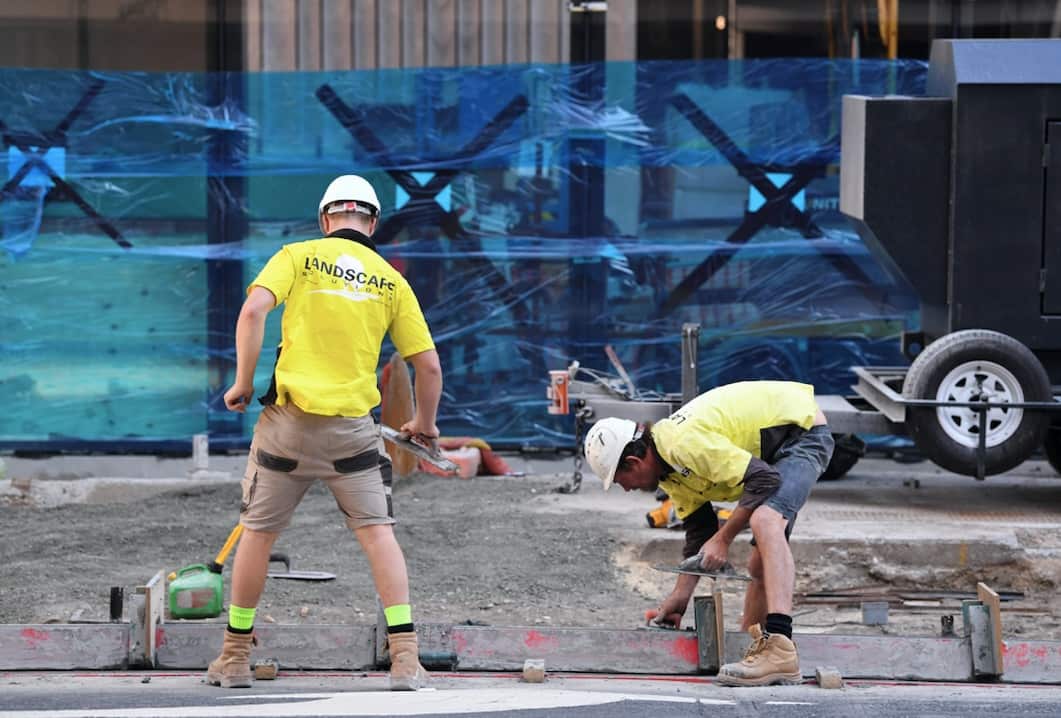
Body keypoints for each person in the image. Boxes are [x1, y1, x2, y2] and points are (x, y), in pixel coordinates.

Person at [206, 175, 443, 691]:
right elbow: (427, 367)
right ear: (373, 224)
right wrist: (423, 425)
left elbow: (252, 311)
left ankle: (235, 657)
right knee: (378, 534)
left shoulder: (297, 255)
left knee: (258, 535)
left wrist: (243, 383)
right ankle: (404, 658)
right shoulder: (391, 281)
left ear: (325, 219)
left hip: (286, 429)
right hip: (353, 435)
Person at [583, 380, 834, 687]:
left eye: (622, 479)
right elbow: (700, 532)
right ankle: (756, 654)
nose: (627, 488)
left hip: (800, 432)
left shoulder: (681, 444)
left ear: (634, 461)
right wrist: (679, 597)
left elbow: (763, 480)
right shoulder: (669, 474)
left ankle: (781, 646)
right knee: (759, 566)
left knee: (766, 521)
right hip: (773, 452)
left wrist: (724, 538)